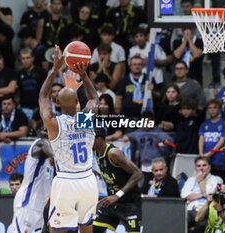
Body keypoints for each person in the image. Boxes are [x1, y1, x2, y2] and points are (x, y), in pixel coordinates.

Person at [39, 45, 99, 232]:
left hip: (65, 181)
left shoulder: (54, 123)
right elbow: (94, 98)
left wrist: (55, 69)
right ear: (77, 103)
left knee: (56, 229)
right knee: (86, 227)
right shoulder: (86, 120)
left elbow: (42, 96)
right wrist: (85, 75)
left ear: (57, 103)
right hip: (88, 180)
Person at [92, 127, 143, 233]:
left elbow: (138, 174)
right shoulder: (95, 151)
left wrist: (117, 195)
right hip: (111, 203)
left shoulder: (113, 153)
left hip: (129, 203)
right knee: (93, 230)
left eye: (90, 138)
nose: (87, 141)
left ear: (99, 139)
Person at [12, 126, 55, 233]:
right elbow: (53, 153)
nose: (46, 130)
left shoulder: (51, 158)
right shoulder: (40, 143)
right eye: (43, 129)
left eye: (48, 128)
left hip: (41, 206)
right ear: (38, 132)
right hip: (28, 202)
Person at [122, 111, 174, 190]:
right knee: (144, 186)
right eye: (144, 122)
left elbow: (169, 140)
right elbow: (128, 136)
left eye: (148, 122)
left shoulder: (158, 132)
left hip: (156, 164)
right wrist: (126, 137)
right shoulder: (139, 132)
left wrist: (164, 143)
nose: (146, 124)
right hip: (143, 165)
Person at [181, 156, 223, 231]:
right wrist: (203, 195)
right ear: (195, 168)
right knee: (180, 222)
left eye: (204, 165)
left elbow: (215, 196)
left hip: (207, 210)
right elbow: (185, 196)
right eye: (198, 166)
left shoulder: (218, 180)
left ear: (209, 167)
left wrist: (201, 181)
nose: (201, 168)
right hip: (190, 210)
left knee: (202, 224)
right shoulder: (190, 180)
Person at [199, 99, 225, 183]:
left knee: (218, 181)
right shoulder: (204, 124)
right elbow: (201, 139)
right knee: (205, 180)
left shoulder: (223, 124)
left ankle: (218, 195)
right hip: (206, 159)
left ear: (219, 109)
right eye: (210, 108)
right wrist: (201, 154)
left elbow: (222, 141)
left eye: (215, 108)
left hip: (218, 159)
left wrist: (209, 153)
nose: (212, 110)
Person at [90, 24, 126, 90]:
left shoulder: (119, 49)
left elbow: (122, 67)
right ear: (101, 36)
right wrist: (101, 67)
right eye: (104, 35)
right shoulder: (96, 50)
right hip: (98, 79)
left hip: (114, 75)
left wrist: (122, 83)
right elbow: (92, 66)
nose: (106, 37)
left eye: (109, 35)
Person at [17, 48, 47, 122]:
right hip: (23, 108)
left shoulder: (41, 72)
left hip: (39, 107)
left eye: (28, 58)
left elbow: (46, 90)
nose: (25, 60)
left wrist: (42, 105)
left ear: (33, 58)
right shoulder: (19, 74)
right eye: (23, 58)